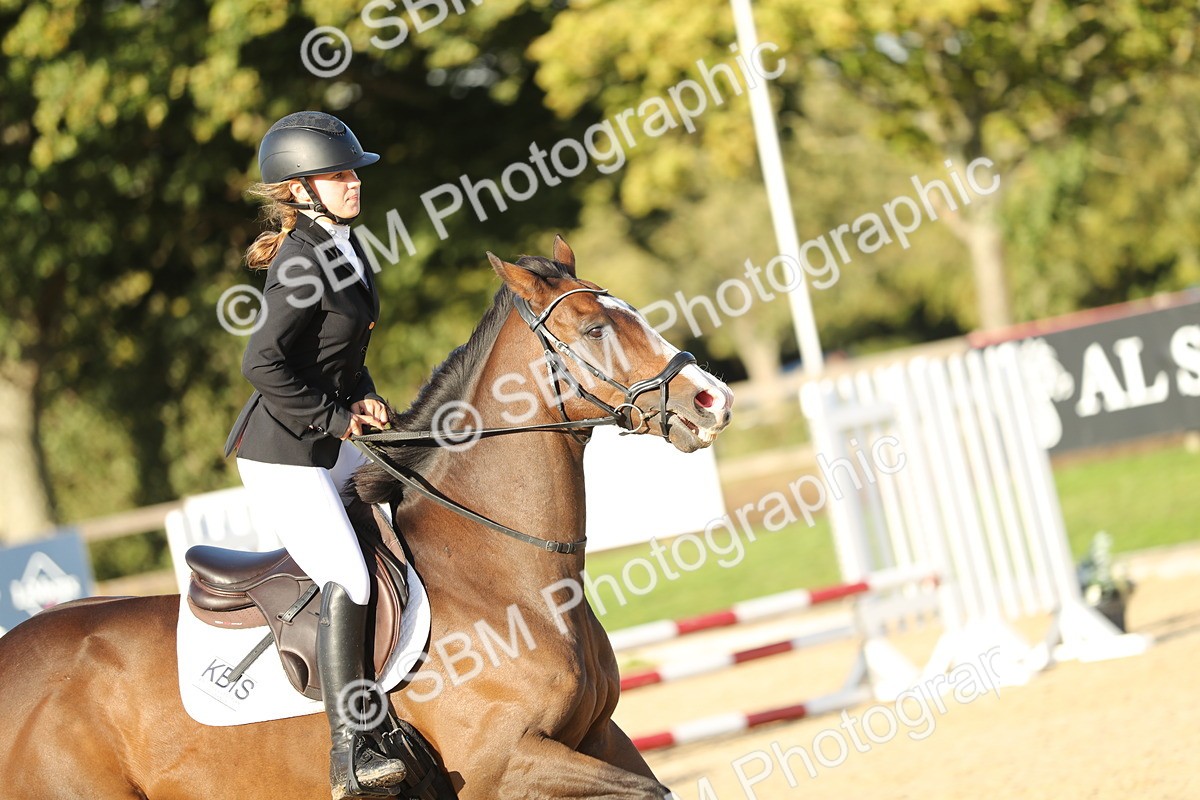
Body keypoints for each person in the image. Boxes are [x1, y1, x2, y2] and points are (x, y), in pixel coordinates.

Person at [224, 110, 406, 798]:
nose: (353, 182)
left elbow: (338, 352)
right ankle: (350, 749)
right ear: (300, 189)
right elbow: (263, 363)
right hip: (282, 456)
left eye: (352, 171)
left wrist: (364, 396)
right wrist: (336, 417)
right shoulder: (301, 261)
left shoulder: (341, 245)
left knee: (405, 507)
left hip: (324, 438)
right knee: (351, 579)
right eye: (337, 174)